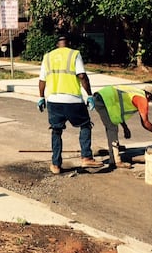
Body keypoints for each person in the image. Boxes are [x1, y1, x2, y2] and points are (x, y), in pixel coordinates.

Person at [38, 35, 103, 174]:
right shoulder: (74, 54)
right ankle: (86, 157)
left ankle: (56, 165)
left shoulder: (48, 57)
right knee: (85, 125)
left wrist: (41, 97)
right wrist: (89, 95)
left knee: (56, 131)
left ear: (57, 44)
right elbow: (82, 76)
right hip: (73, 100)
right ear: (69, 43)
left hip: (53, 101)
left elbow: (42, 80)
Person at [94, 84, 152, 168]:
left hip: (102, 96)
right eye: (151, 99)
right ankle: (116, 161)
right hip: (105, 99)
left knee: (111, 126)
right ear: (148, 95)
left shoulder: (135, 92)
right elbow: (145, 123)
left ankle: (113, 154)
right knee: (112, 128)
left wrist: (125, 127)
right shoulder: (142, 99)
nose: (149, 102)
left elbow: (117, 112)